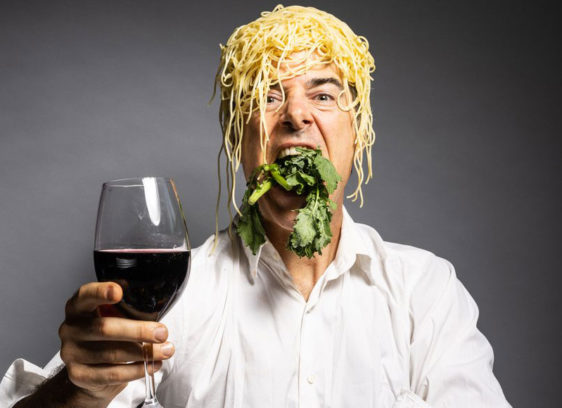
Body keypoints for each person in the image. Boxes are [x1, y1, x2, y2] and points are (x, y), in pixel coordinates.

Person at [1, 5, 512, 408]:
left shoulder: (427, 292)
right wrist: (77, 391)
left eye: (325, 96)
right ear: (237, 139)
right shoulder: (177, 297)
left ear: (356, 134)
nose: (295, 114)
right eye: (267, 97)